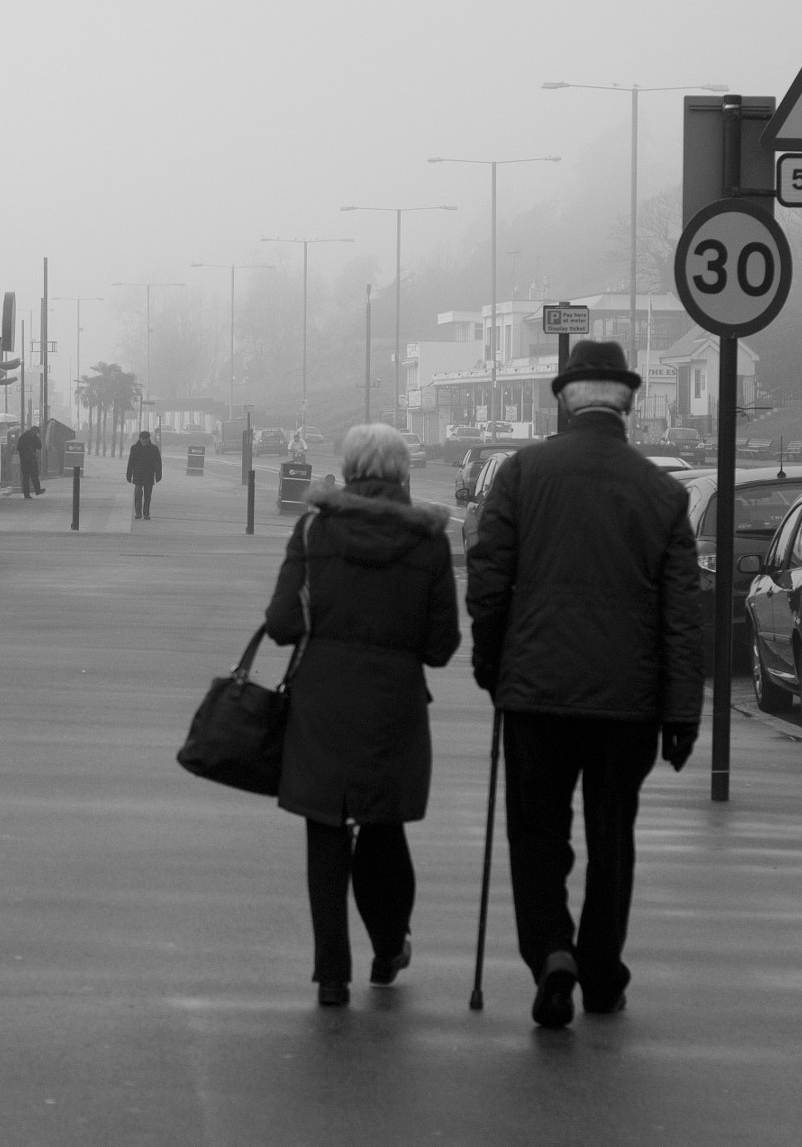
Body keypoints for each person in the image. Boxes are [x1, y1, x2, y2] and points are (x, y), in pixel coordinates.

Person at [464, 340, 704, 1029]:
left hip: (536, 689)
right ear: (628, 402)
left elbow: (487, 580)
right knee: (612, 835)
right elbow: (682, 617)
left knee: (537, 830)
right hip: (627, 702)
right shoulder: (662, 493)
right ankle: (601, 973)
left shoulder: (520, 475)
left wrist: (492, 662)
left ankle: (550, 952)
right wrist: (681, 713)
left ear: (563, 399)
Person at [265, 422, 460, 1007]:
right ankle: (387, 946)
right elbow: (441, 645)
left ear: (348, 471)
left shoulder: (313, 530)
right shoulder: (428, 543)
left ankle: (331, 974)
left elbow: (280, 625)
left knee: (325, 830)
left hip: (321, 704)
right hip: (393, 708)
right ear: (402, 474)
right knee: (383, 827)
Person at [127, 430, 163, 519]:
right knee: (138, 494)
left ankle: (146, 513)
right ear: (140, 439)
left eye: (146, 439)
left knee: (148, 496)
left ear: (148, 439)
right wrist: (129, 474)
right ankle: (138, 512)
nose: (144, 441)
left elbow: (158, 462)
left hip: (149, 475)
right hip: (138, 475)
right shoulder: (134, 448)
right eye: (143, 439)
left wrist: (158, 475)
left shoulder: (154, 449)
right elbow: (130, 462)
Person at [15, 424, 44, 498]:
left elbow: (18, 448)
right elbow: (39, 446)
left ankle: (26, 494)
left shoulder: (22, 436)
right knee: (34, 475)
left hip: (24, 460)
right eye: (38, 433)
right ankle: (37, 490)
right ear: (35, 431)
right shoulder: (34, 437)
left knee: (25, 477)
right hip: (32, 459)